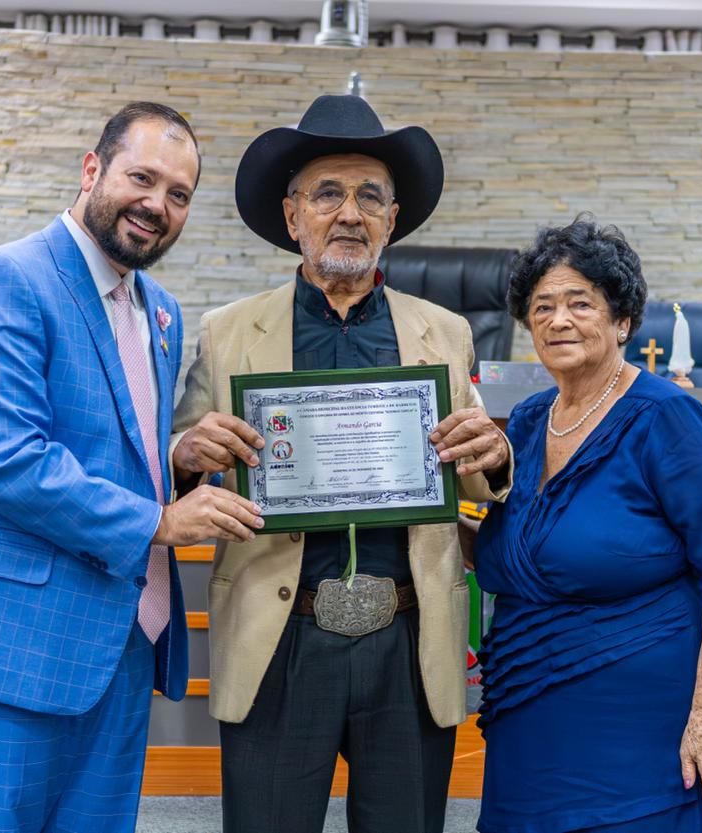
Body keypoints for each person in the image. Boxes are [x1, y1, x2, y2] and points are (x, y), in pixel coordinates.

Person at [0, 102, 264, 833]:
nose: (158, 205)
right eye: (142, 178)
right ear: (93, 170)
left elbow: (115, 448)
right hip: (5, 644)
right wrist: (160, 519)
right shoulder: (7, 281)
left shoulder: (161, 312)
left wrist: (178, 459)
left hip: (118, 641)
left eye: (179, 194)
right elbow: (7, 462)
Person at [171, 93, 512, 833]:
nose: (349, 212)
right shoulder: (227, 333)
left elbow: (477, 469)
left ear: (393, 220)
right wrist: (186, 454)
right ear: (293, 217)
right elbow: (181, 452)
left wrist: (497, 452)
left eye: (370, 196)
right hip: (280, 628)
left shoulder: (445, 332)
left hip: (408, 633)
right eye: (329, 193)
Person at [471, 217, 702, 833]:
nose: (558, 320)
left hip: (643, 730)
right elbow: (519, 553)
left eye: (581, 303)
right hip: (530, 717)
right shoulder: (524, 423)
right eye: (542, 306)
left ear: (623, 320)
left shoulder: (667, 417)